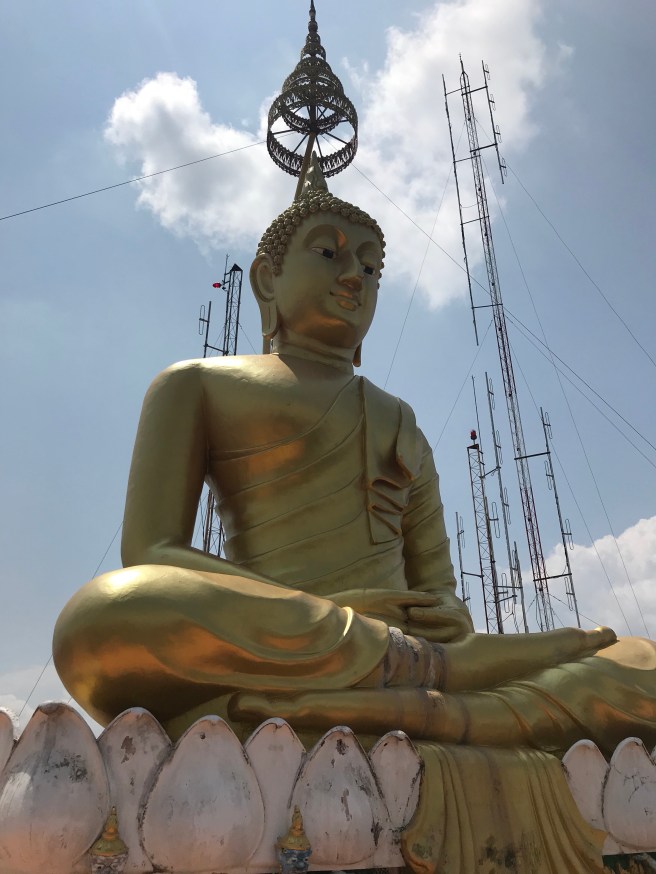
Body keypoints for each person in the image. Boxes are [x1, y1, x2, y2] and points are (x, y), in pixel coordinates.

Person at [53, 160, 656, 756]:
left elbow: (439, 595)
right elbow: (151, 551)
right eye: (328, 253)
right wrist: (329, 612)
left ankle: (426, 692)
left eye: (371, 267)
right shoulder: (195, 384)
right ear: (266, 279)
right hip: (281, 633)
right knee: (103, 619)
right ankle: (441, 694)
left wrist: (444, 619)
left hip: (406, 649)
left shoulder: (400, 418)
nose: (354, 277)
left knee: (641, 665)